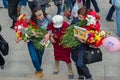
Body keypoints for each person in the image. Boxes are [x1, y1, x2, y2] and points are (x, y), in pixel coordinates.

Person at [44, 15, 74, 79]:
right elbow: (49, 30)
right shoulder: (52, 23)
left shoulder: (66, 25)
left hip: (65, 45)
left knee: (67, 58)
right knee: (56, 56)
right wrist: (50, 36)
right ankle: (56, 68)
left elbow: (69, 35)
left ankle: (70, 71)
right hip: (56, 43)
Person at [27, 7, 52, 78]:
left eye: (41, 15)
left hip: (43, 40)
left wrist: (48, 34)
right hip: (32, 40)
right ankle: (39, 70)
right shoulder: (30, 19)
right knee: (34, 58)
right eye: (37, 16)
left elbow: (51, 28)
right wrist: (29, 34)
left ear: (43, 13)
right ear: (34, 16)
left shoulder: (48, 17)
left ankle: (38, 69)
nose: (40, 18)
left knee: (40, 56)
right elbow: (24, 30)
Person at [71, 7, 93, 80]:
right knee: (75, 60)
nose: (80, 18)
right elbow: (70, 30)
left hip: (83, 46)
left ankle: (89, 77)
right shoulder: (75, 21)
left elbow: (93, 35)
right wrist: (76, 37)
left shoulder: (89, 22)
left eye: (82, 17)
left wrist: (86, 40)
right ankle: (80, 76)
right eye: (79, 16)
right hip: (75, 45)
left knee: (80, 63)